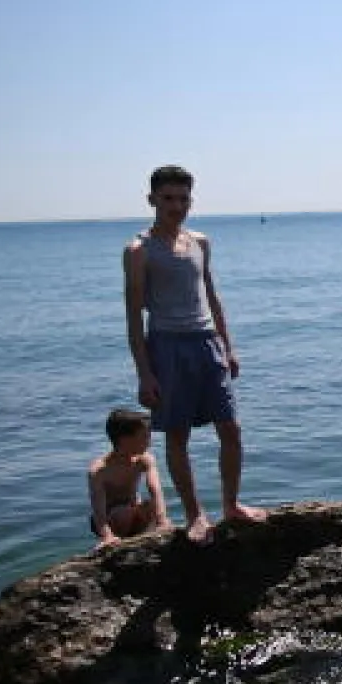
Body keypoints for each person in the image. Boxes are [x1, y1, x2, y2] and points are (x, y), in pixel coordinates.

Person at [123, 165, 266, 545]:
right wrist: (145, 373)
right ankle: (195, 515)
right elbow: (134, 316)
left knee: (231, 430)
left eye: (183, 198)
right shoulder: (139, 250)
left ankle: (231, 504)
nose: (176, 206)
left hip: (207, 343)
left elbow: (213, 297)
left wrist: (228, 347)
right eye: (168, 198)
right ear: (151, 199)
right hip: (167, 347)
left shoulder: (200, 242)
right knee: (177, 437)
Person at [87, 408, 171, 549]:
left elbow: (155, 489)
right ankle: (115, 541)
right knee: (123, 513)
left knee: (150, 506)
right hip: (108, 518)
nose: (149, 442)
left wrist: (162, 520)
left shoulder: (144, 459)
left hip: (131, 510)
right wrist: (106, 534)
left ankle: (146, 538)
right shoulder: (99, 470)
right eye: (144, 437)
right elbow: (98, 508)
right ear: (124, 440)